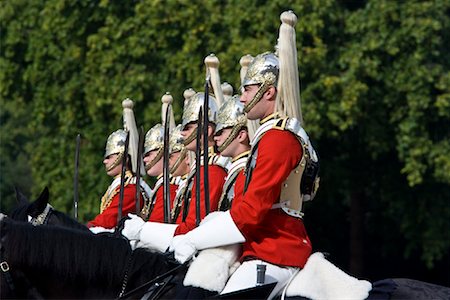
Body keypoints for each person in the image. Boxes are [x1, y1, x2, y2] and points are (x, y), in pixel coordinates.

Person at [170, 11, 320, 299]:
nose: (241, 98)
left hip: (275, 252)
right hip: (258, 248)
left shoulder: (279, 138)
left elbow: (250, 213)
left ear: (269, 92)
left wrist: (193, 237)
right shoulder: (270, 135)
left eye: (248, 90)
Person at [121, 92, 229, 252]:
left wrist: (145, 231)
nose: (183, 133)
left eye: (188, 127)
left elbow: (194, 227)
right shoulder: (202, 170)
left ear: (207, 130)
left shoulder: (211, 171)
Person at [88, 99, 152, 230]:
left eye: (109, 157)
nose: (105, 161)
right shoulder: (121, 186)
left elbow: (108, 220)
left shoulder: (131, 189)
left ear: (124, 159)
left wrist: (83, 229)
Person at [139, 123, 178, 223]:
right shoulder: (161, 184)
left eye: (149, 154)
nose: (145, 159)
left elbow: (157, 222)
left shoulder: (170, 185)